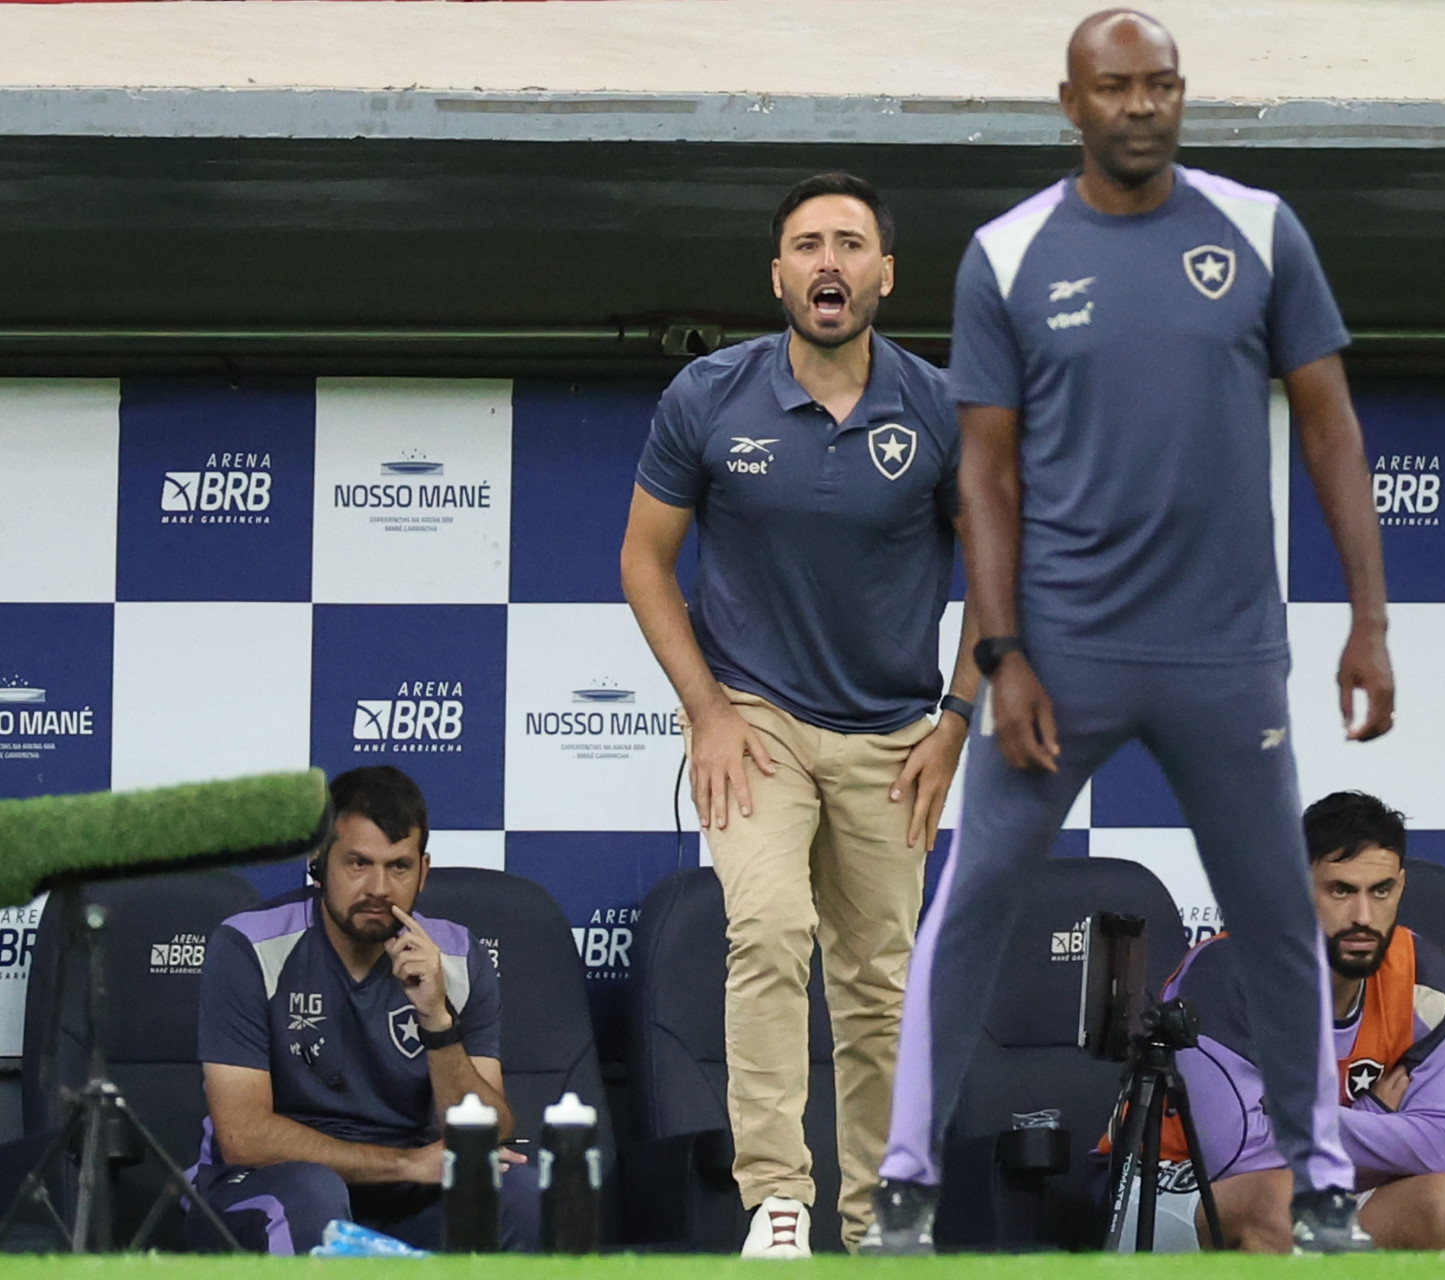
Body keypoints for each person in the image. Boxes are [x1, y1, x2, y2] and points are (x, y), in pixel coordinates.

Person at [865, 8, 1393, 1255]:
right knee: (976, 896)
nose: (1141, 106)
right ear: (1070, 101)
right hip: (1065, 651)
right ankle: (904, 1182)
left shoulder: (1261, 232)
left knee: (1274, 905)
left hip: (1227, 652)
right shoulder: (1007, 254)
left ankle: (1322, 1182)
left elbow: (1329, 428)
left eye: (1160, 85)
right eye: (1116, 87)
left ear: (1181, 94)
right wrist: (1001, 652)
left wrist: (1368, 618)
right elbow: (983, 477)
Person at [620, 172, 978, 1257]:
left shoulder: (941, 406)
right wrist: (706, 711)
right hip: (754, 717)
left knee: (878, 980)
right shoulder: (708, 395)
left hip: (893, 731)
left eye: (851, 244)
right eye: (809, 245)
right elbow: (644, 559)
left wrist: (955, 722)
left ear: (885, 274)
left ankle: (875, 1220)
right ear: (777, 275)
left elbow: (1010, 577)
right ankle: (778, 1197)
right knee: (770, 929)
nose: (830, 262)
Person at [1100, 791, 1445, 1252]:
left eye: (1380, 890)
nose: (1363, 917)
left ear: (1400, 886)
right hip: (1166, 1179)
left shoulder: (1422, 972)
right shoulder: (1229, 970)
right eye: (1340, 890)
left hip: (1322, 1180)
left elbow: (1438, 1145)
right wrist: (1376, 1117)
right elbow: (1235, 1151)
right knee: (1284, 1204)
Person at [189, 766, 536, 1255]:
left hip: (412, 1193)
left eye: (398, 867)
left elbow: (488, 1128)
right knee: (313, 1194)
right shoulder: (250, 945)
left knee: (518, 1192)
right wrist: (406, 1164)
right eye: (358, 864)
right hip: (271, 1185)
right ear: (318, 861)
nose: (378, 888)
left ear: (424, 870)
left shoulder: (456, 955)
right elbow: (243, 1135)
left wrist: (437, 1021)